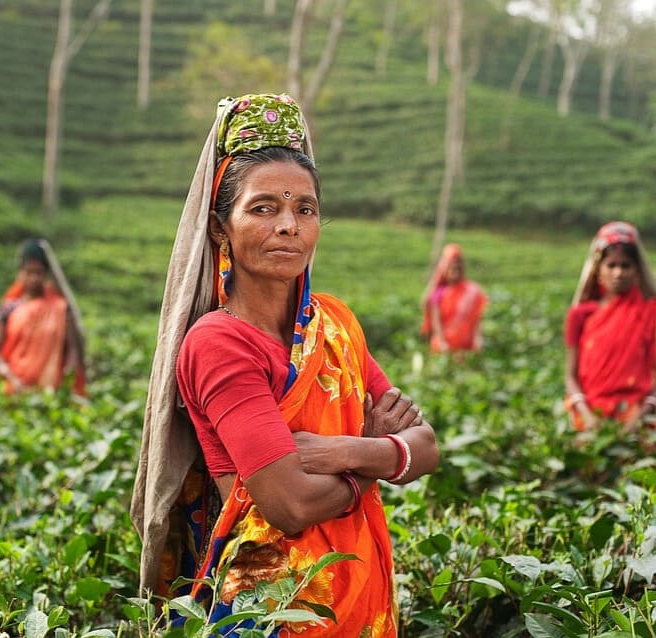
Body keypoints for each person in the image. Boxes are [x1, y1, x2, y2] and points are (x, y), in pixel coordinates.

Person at [131, 94, 439, 636]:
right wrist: (379, 461)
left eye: (305, 208)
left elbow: (429, 446)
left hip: (357, 587)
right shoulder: (220, 343)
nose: (289, 225)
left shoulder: (336, 322)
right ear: (221, 227)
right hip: (274, 605)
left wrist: (344, 450)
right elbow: (290, 506)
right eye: (264, 207)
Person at [564, 221, 656, 432]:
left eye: (625, 265)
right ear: (598, 270)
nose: (618, 273)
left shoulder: (650, 312)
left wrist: (640, 417)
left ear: (637, 271)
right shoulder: (581, 315)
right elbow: (570, 375)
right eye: (611, 265)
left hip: (640, 418)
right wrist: (587, 417)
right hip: (590, 417)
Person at [0, 238, 86, 396]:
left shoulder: (60, 308)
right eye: (29, 272)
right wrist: (7, 374)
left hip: (52, 391)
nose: (34, 278)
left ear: (45, 274)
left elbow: (73, 348)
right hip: (13, 388)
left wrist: (68, 377)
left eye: (38, 273)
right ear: (20, 273)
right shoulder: (8, 308)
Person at [420, 243, 487, 354]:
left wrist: (478, 339)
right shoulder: (438, 292)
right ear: (444, 269)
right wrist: (442, 343)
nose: (455, 272)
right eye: (451, 268)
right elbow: (436, 322)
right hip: (443, 347)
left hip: (466, 348)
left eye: (457, 268)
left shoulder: (472, 291)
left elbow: (476, 320)